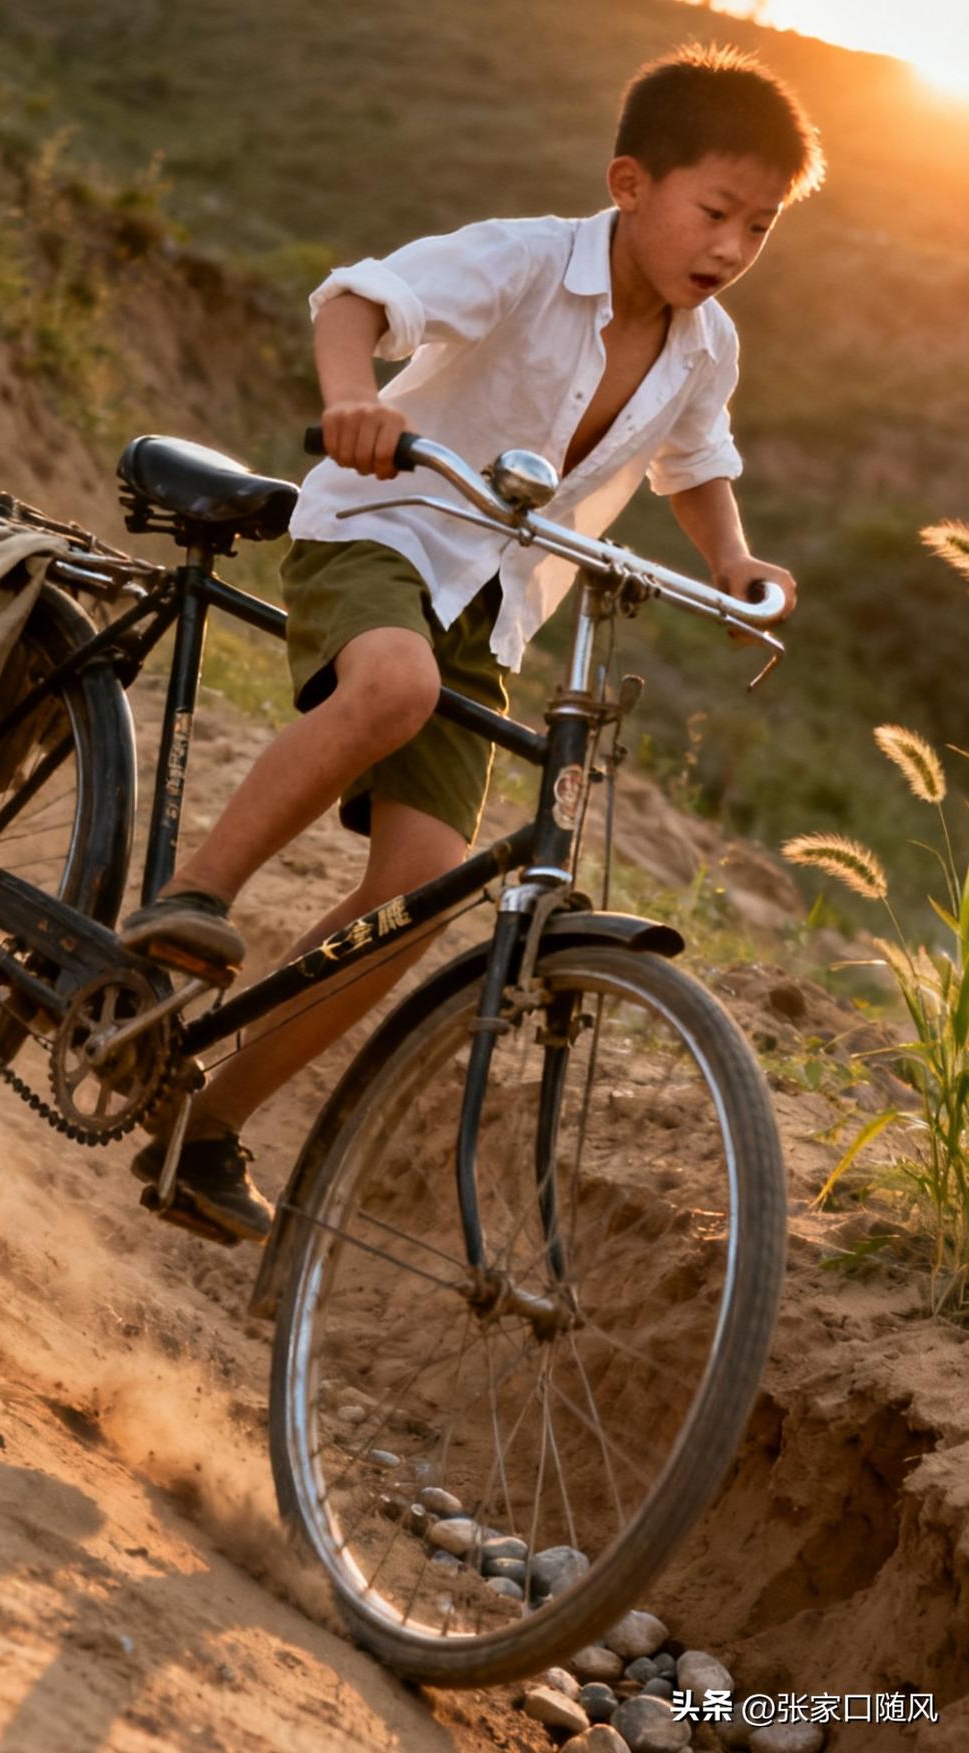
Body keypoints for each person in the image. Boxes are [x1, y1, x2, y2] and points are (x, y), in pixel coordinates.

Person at [119, 42, 825, 1243]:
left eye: (757, 228)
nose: (729, 247)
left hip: (492, 604)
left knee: (421, 887)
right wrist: (356, 397)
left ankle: (208, 1126)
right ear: (628, 184)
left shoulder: (707, 348)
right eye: (713, 211)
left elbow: (693, 461)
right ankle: (186, 902)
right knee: (387, 687)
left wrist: (731, 560)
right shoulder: (524, 259)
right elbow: (356, 297)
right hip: (379, 531)